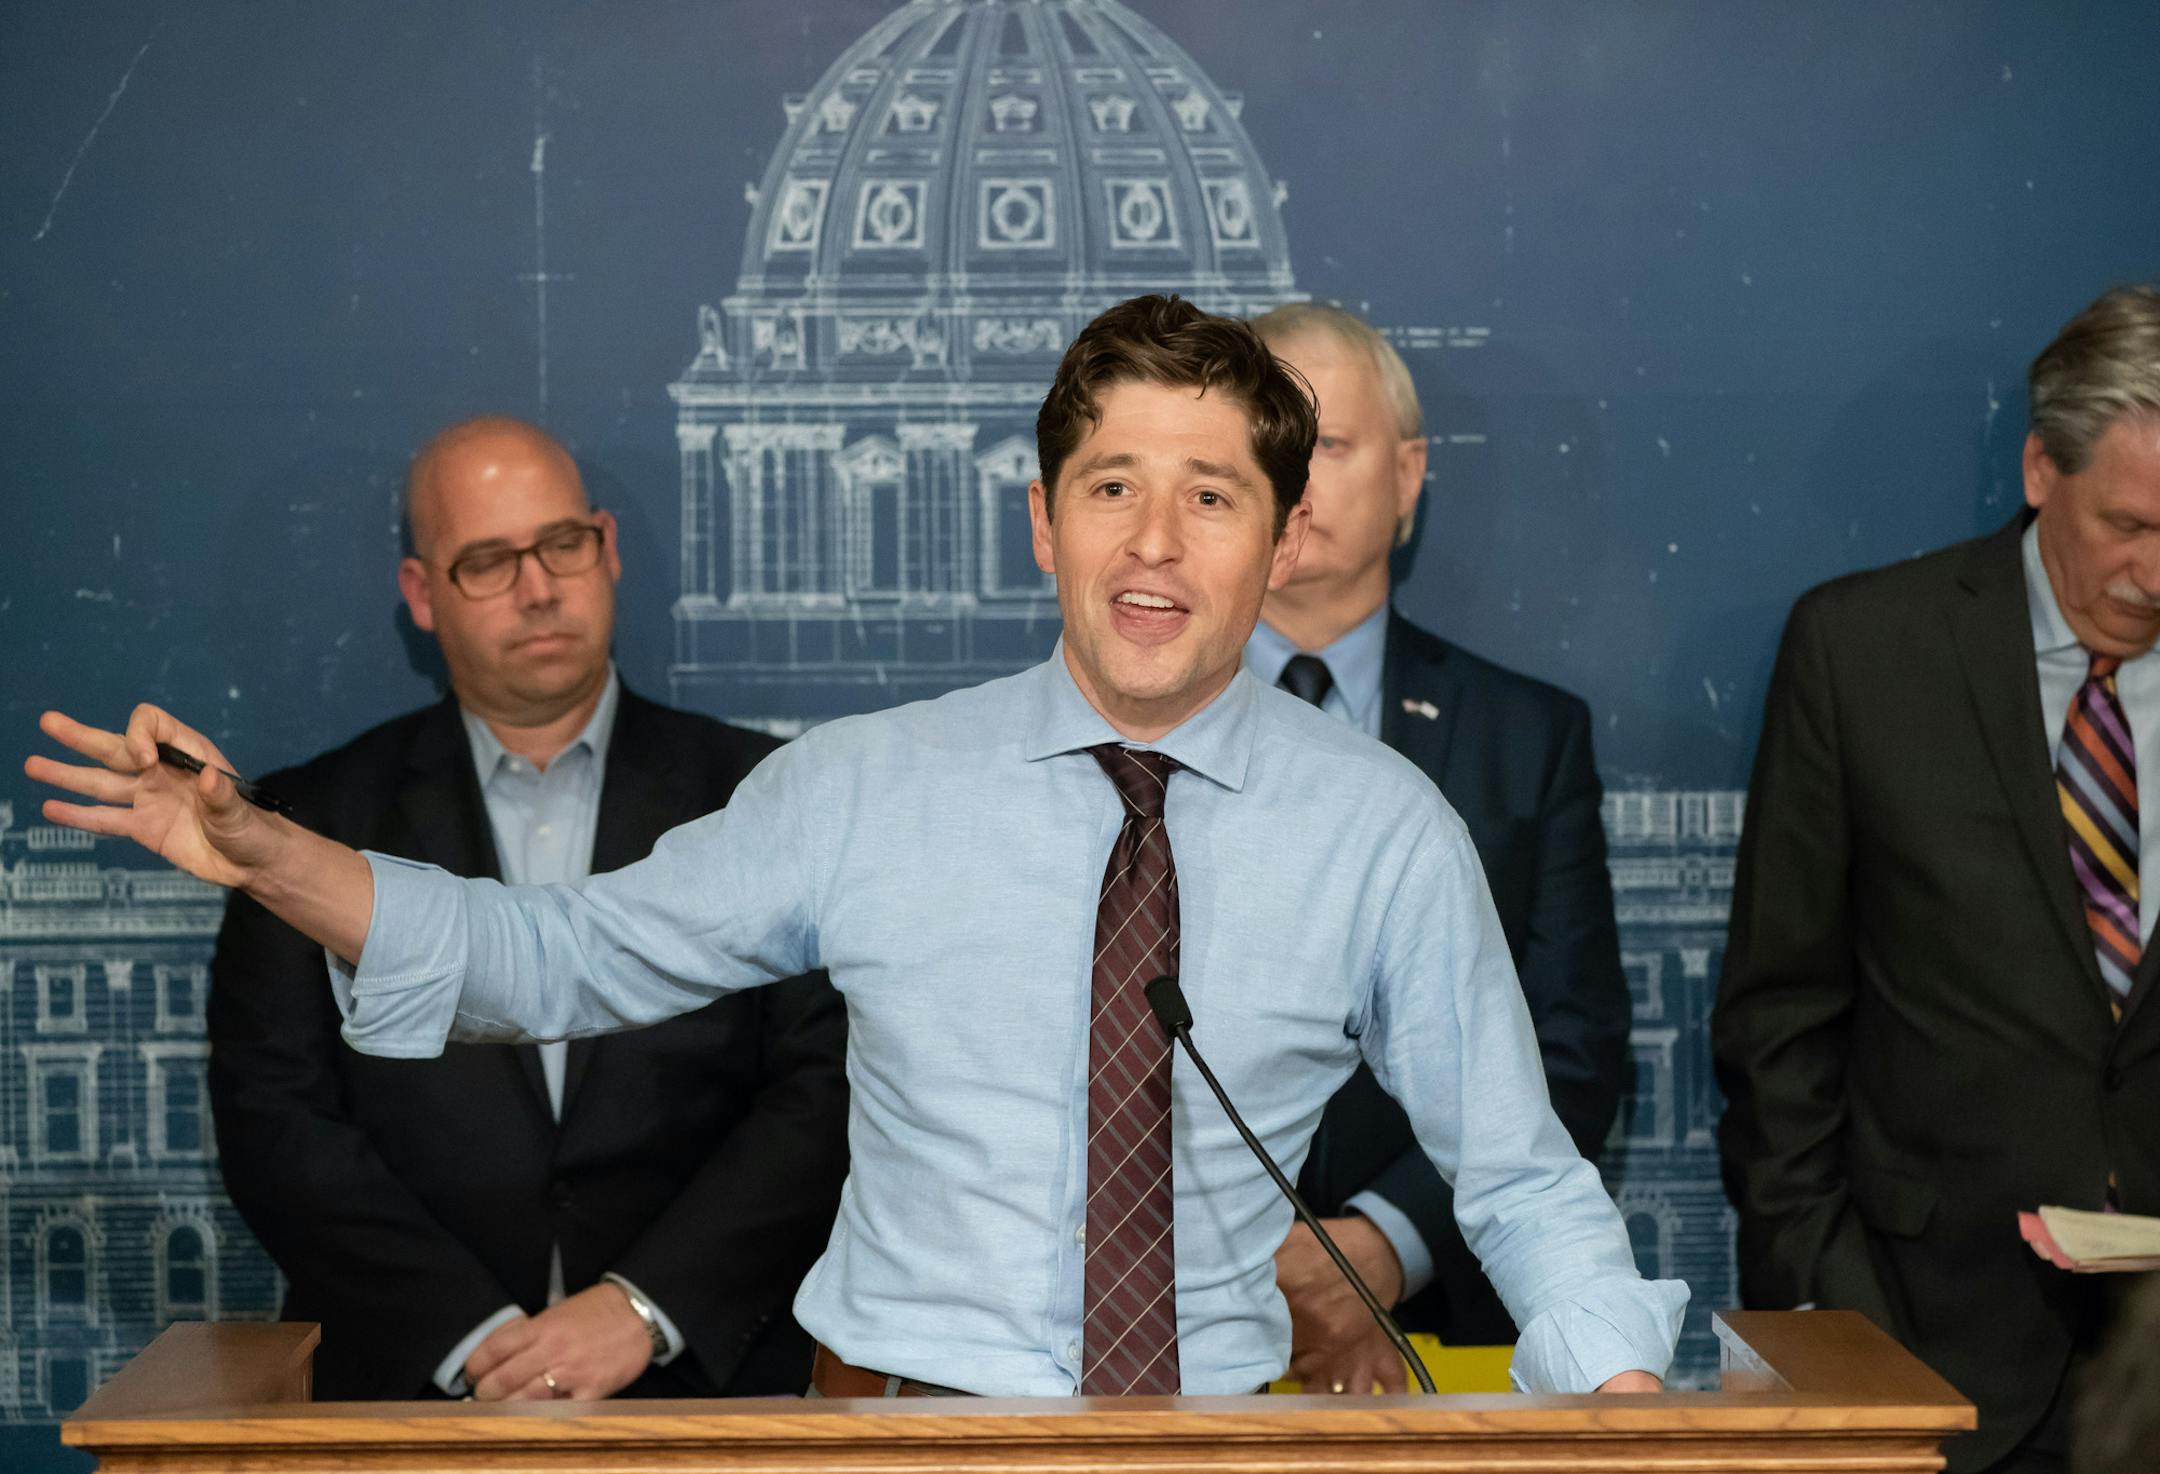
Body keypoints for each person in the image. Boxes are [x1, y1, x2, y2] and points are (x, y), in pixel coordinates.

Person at [30, 297, 1685, 1399]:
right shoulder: (862, 787)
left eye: (1210, 495)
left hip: (1217, 1428)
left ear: (1275, 536)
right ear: (1041, 521)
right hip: (889, 1424)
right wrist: (267, 852)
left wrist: (1625, 1395)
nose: (1155, 541)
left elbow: (1520, 1173)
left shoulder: (1382, 828)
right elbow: (552, 957)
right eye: (1111, 485)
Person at [204, 417, 849, 1401]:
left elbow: (825, 1089)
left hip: (709, 1392)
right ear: (422, 593)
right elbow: (275, 1117)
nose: (539, 588)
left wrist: (642, 1309)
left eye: (562, 544)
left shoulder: (765, 793)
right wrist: (471, 1337)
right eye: (488, 562)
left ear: (608, 547)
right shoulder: (308, 825)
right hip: (407, 1402)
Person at [1714, 284, 2160, 1473]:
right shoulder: (1864, 651)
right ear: (2040, 468)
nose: (2156, 571)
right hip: (1928, 1350)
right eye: (2127, 524)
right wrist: (1833, 1311)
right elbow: (1777, 1019)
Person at [1243, 304, 1631, 1395]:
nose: (1298, 481)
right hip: (1165, 1332)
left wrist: (1381, 1243)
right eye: (1268, 444)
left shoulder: (1527, 738)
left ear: (1409, 475)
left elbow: (1572, 1047)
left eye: (1328, 443)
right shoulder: (1129, 731)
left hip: (1448, 1326)